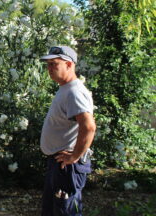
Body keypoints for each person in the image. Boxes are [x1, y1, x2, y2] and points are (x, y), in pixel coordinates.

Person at [39, 46, 97, 216]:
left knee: (65, 212)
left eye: (54, 64)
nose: (49, 69)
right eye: (48, 64)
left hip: (67, 166)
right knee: (52, 211)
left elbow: (88, 127)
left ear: (69, 64)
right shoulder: (65, 89)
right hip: (59, 164)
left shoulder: (74, 91)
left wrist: (74, 156)